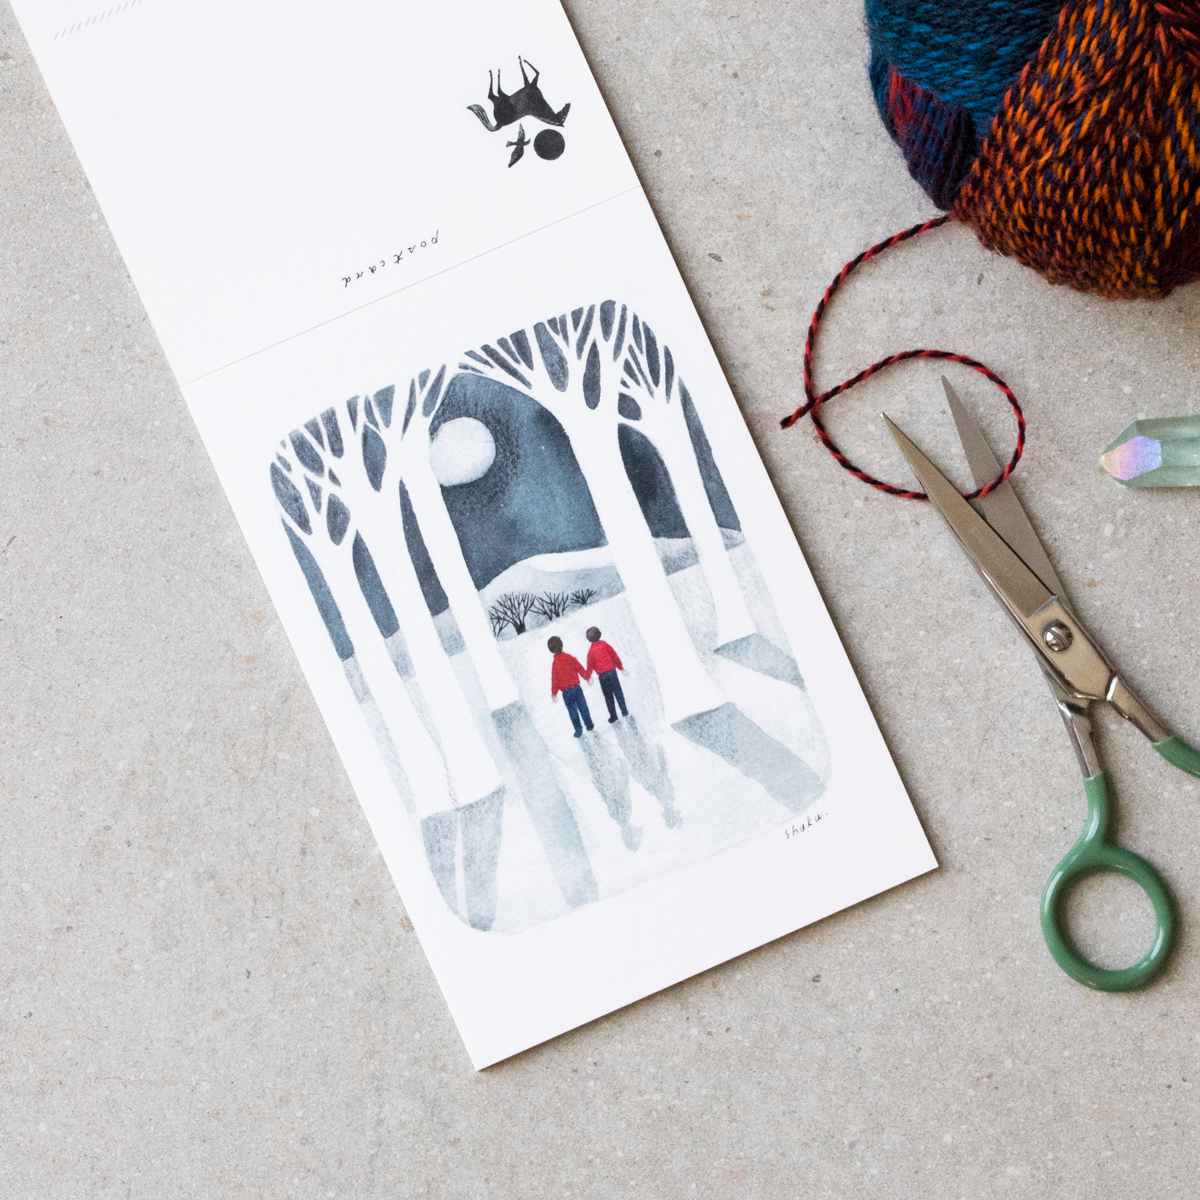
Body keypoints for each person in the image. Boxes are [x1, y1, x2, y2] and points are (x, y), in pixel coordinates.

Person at [548, 635, 594, 737]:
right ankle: (589, 724)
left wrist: (554, 693)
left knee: (572, 711)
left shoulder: (555, 664)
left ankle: (578, 729)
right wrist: (587, 677)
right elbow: (579, 668)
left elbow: (554, 680)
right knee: (583, 707)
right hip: (577, 688)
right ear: (562, 645)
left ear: (551, 650)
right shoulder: (569, 658)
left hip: (566, 692)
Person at [585, 626, 629, 723]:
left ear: (589, 639)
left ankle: (613, 715)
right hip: (612, 672)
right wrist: (621, 668)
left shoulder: (591, 651)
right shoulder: (605, 645)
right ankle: (624, 711)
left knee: (608, 696)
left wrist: (589, 676)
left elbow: (589, 665)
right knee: (618, 692)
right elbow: (614, 656)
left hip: (602, 676)